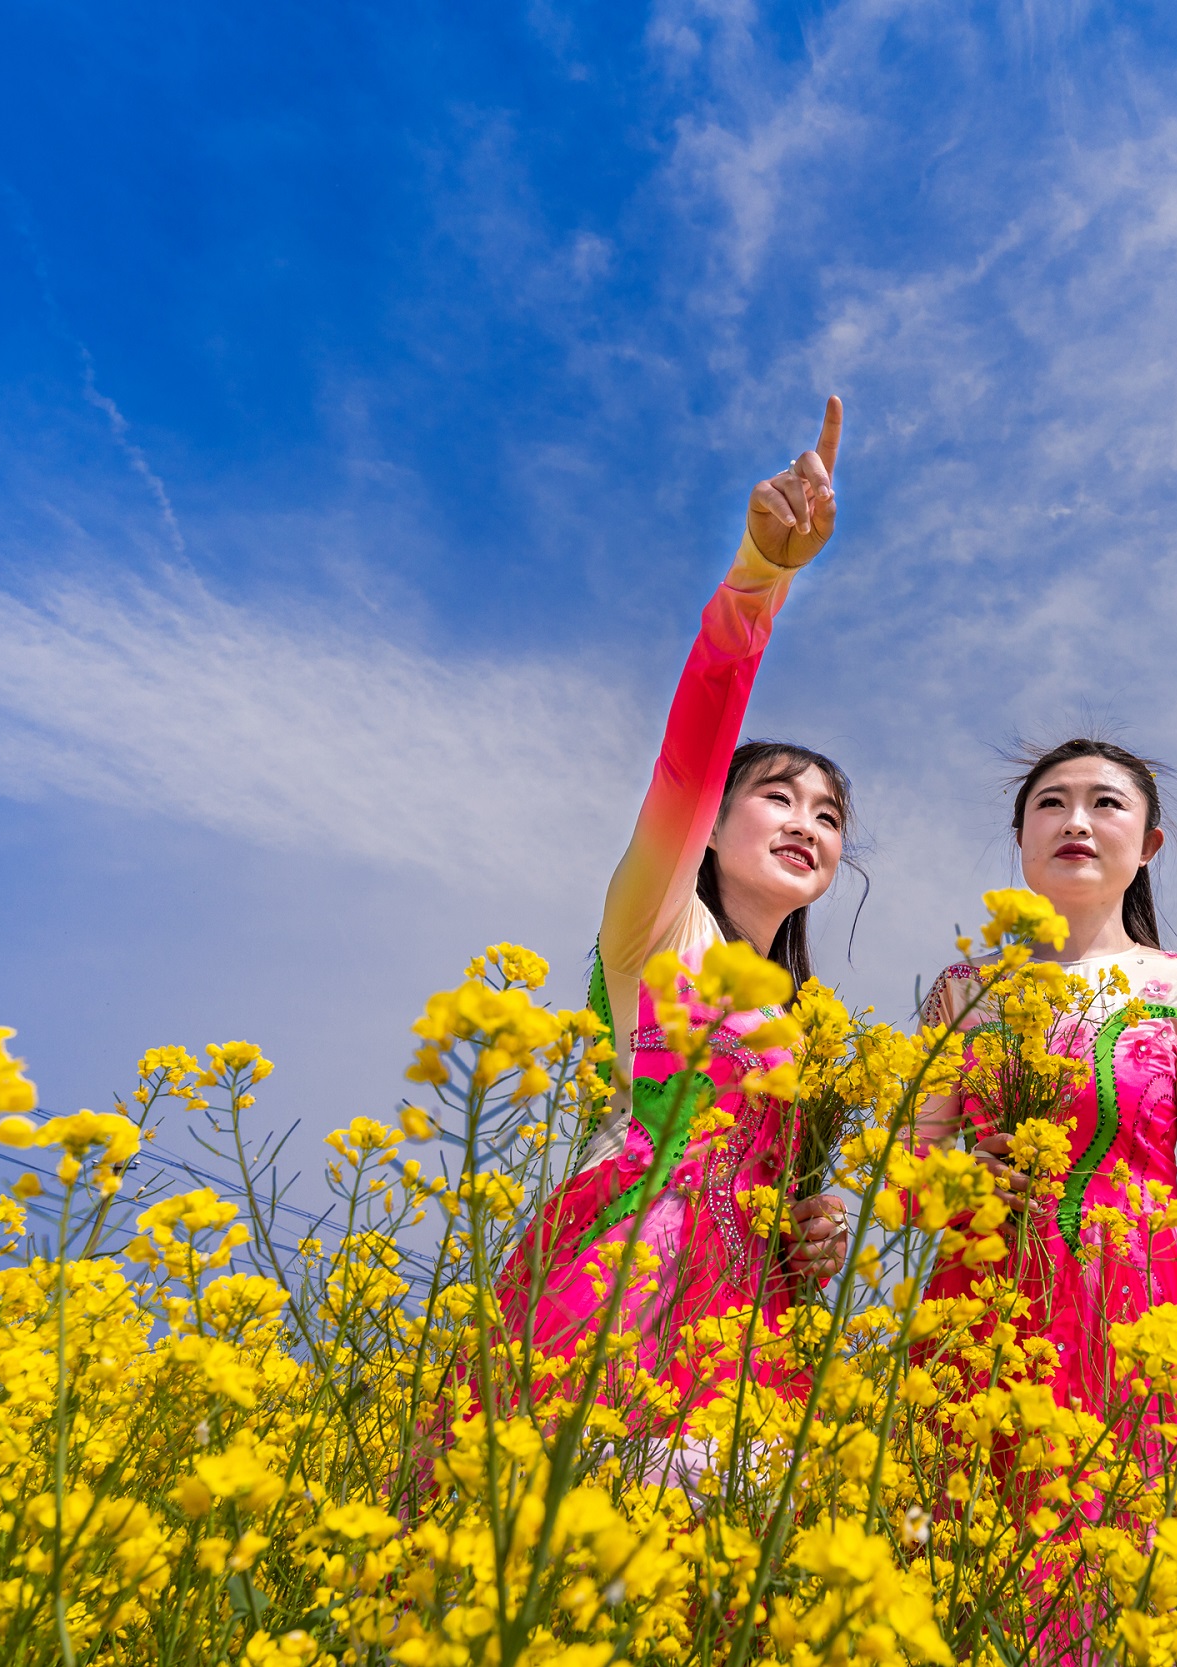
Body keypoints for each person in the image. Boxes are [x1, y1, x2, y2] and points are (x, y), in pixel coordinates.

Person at [493, 398, 855, 1409]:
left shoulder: (806, 1017)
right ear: (711, 821)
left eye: (827, 814)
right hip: (618, 1284)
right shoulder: (657, 925)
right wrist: (760, 575)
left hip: (748, 1332)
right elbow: (691, 744)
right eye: (775, 795)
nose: (805, 821)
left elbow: (782, 1186)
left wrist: (810, 1222)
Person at [917, 739, 1177, 1428]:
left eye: (1105, 803)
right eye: (1051, 804)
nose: (1075, 821)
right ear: (1021, 837)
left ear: (1148, 844)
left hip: (1143, 1330)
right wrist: (960, 1180)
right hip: (978, 1317)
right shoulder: (963, 990)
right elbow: (902, 1176)